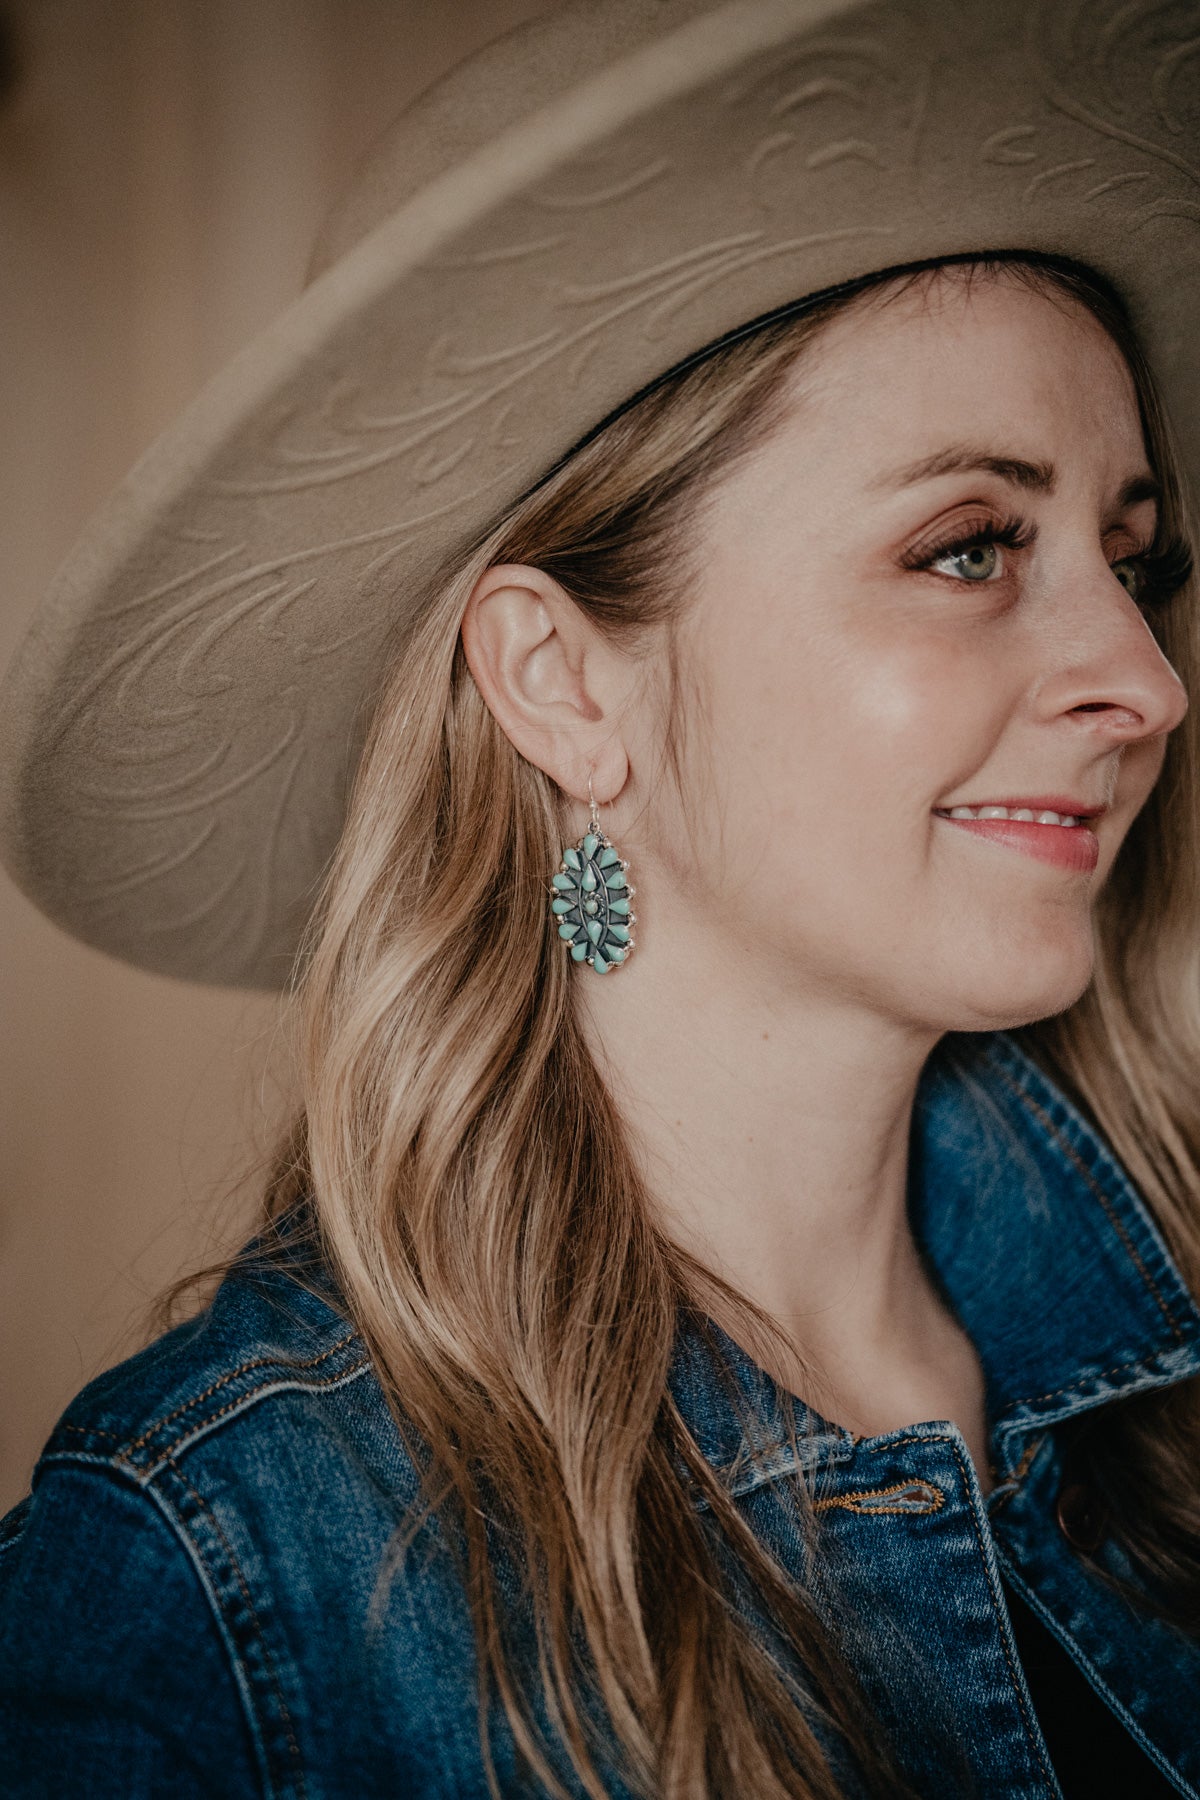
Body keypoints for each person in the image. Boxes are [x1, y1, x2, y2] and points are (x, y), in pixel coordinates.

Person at [2, 1, 1200, 1795]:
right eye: (970, 546)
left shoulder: (1168, 1378)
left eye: (1138, 559)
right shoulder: (217, 1563)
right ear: (562, 683)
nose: (1148, 681)